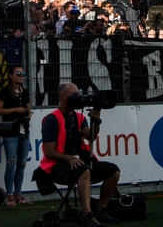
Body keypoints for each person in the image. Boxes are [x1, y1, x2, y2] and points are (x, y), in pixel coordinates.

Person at [39, 83, 121, 227]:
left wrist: (96, 119)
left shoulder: (78, 117)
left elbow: (91, 135)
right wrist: (68, 158)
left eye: (78, 93)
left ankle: (101, 210)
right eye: (74, 94)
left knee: (113, 171)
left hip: (77, 164)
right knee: (84, 170)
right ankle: (86, 214)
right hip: (56, 166)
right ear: (63, 97)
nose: (78, 97)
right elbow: (49, 151)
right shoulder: (52, 119)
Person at [0, 66, 33, 207]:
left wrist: (28, 116)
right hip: (10, 130)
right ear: (11, 75)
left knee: (22, 164)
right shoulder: (5, 92)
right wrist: (15, 110)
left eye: (23, 74)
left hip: (24, 130)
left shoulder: (25, 92)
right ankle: (9, 195)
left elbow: (29, 110)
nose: (21, 76)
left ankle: (18, 194)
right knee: (11, 163)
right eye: (18, 74)